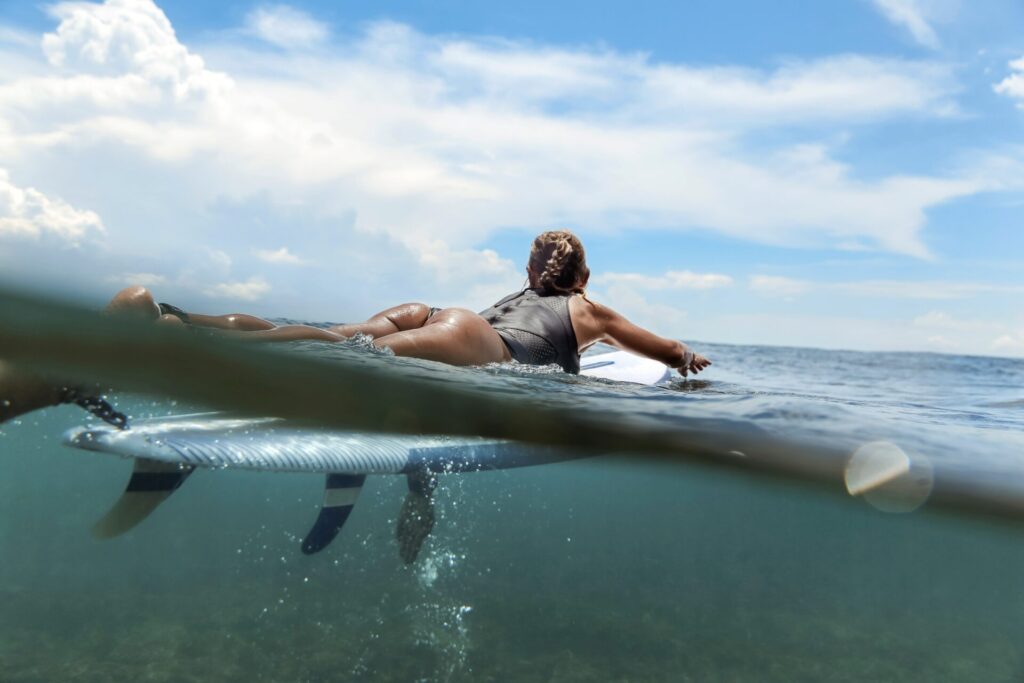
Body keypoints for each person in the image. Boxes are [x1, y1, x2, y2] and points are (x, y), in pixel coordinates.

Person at [0, 230, 709, 424]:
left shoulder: (519, 294)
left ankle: (176, 320)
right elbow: (670, 351)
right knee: (348, 357)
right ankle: (175, 338)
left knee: (337, 337)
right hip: (477, 343)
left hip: (439, 312)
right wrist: (690, 362)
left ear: (531, 271)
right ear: (581, 276)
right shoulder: (588, 307)